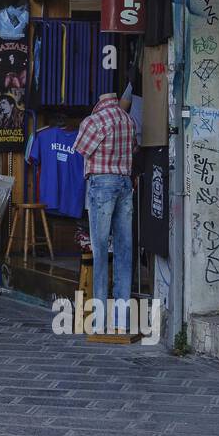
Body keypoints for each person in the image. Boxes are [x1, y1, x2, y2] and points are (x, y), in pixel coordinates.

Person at [74, 89, 137, 331]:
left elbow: (81, 149)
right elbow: (133, 149)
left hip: (102, 182)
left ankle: (99, 320)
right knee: (124, 249)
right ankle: (122, 319)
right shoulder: (128, 119)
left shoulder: (94, 120)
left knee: (100, 249)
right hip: (124, 182)